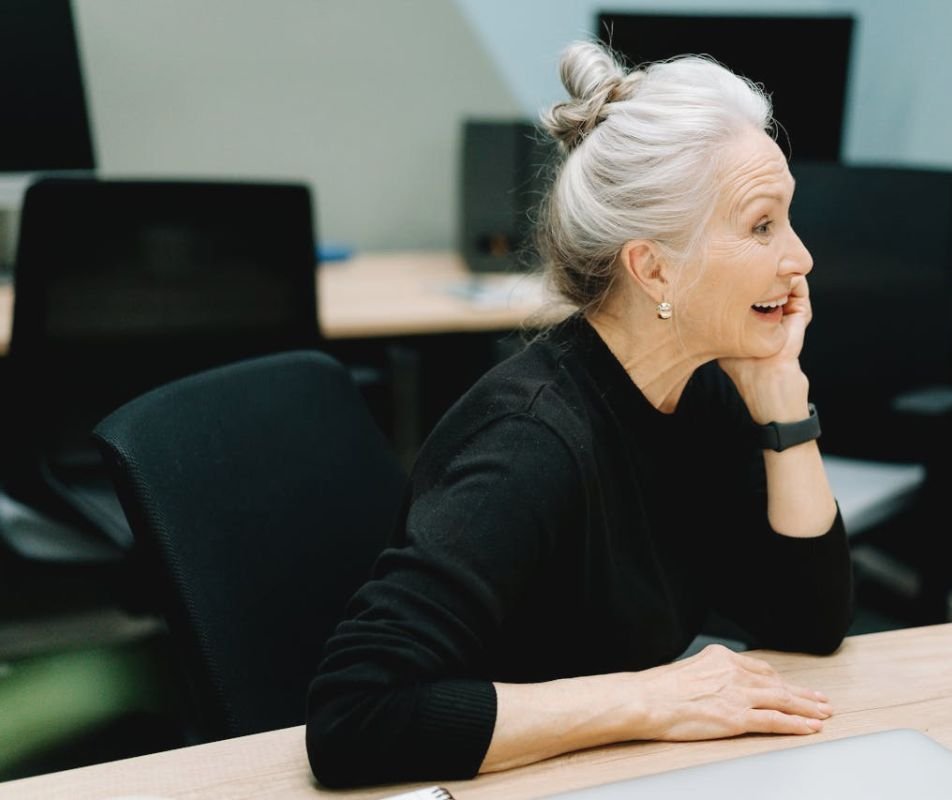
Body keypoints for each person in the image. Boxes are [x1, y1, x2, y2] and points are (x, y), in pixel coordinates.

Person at [306, 41, 853, 787]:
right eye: (763, 226)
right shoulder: (528, 443)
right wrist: (646, 700)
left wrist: (781, 398)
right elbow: (353, 717)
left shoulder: (700, 385)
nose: (802, 259)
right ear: (652, 267)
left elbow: (807, 624)